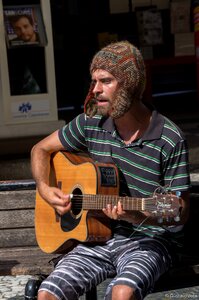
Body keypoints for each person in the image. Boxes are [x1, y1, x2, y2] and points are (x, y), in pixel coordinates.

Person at [31, 40, 190, 300]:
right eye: (94, 82)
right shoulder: (92, 122)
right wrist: (45, 188)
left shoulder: (169, 138)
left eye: (105, 81)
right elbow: (39, 150)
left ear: (128, 84)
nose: (95, 90)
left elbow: (179, 213)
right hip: (96, 237)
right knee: (48, 294)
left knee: (122, 293)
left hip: (149, 242)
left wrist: (133, 216)